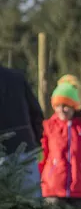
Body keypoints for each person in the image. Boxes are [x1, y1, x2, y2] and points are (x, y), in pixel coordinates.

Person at [39, 75, 81, 209]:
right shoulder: (48, 127)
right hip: (53, 190)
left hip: (80, 192)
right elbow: (42, 157)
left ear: (74, 106)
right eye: (57, 106)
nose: (61, 110)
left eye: (65, 106)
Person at [0, 65, 45, 197]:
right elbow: (37, 115)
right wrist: (35, 143)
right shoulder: (17, 78)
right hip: (26, 152)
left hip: (4, 154)